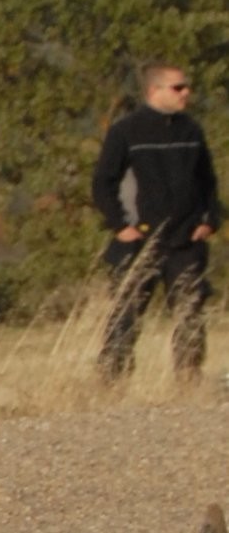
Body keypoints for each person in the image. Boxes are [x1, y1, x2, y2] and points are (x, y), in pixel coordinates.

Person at [93, 59, 219, 382]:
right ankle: (111, 382)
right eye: (178, 87)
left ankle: (188, 380)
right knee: (127, 315)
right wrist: (121, 226)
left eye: (186, 86)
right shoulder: (126, 131)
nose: (186, 93)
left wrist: (210, 220)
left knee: (189, 312)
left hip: (186, 240)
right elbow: (103, 183)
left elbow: (207, 179)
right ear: (154, 90)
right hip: (141, 241)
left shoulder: (191, 129)